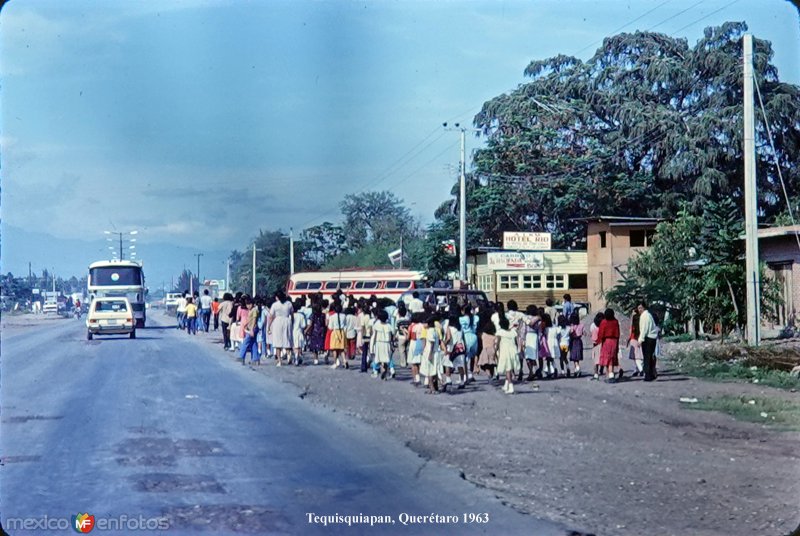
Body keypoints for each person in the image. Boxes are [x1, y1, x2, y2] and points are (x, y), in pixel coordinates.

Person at [495, 315, 521, 394]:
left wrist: (495, 351)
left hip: (505, 352)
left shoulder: (500, 332)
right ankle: (506, 384)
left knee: (507, 369)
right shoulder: (513, 332)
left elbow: (498, 343)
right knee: (509, 368)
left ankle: (511, 385)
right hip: (513, 351)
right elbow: (516, 342)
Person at [370, 309, 395, 380]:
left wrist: (372, 345)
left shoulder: (376, 325)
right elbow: (391, 336)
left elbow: (374, 336)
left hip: (379, 343)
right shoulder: (389, 326)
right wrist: (392, 344)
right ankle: (385, 372)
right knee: (386, 359)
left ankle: (382, 371)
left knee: (379, 359)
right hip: (387, 343)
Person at [597, 308, 621, 383]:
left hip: (606, 341)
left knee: (607, 359)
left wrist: (598, 341)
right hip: (614, 340)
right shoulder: (615, 322)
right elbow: (618, 333)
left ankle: (610, 375)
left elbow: (601, 333)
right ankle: (610, 374)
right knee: (612, 358)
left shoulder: (604, 322)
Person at [270, 291, 294, 366]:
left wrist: (269, 326)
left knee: (278, 342)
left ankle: (279, 361)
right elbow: (292, 314)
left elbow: (271, 316)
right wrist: (292, 323)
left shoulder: (275, 305)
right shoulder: (289, 304)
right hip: (287, 321)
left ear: (277, 297)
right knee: (287, 339)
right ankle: (289, 355)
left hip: (278, 322)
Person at [638, 301, 659, 381]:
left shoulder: (645, 316)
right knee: (650, 357)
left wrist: (640, 339)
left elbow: (644, 329)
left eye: (640, 308)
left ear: (644, 307)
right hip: (652, 338)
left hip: (648, 338)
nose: (639, 310)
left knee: (647, 357)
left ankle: (648, 375)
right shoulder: (648, 315)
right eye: (638, 308)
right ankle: (651, 374)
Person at [459, 304, 479, 384]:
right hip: (474, 337)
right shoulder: (475, 318)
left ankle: (465, 377)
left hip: (466, 337)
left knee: (464, 358)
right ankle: (471, 374)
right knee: (472, 356)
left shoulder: (461, 319)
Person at [239, 297, 260, 365]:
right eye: (247, 304)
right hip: (251, 328)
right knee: (253, 344)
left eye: (249, 304)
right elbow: (250, 320)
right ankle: (255, 359)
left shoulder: (254, 310)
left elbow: (254, 319)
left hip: (252, 328)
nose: (248, 306)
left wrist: (251, 330)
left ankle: (241, 357)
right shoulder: (251, 310)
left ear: (252, 304)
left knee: (245, 342)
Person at [327, 302, 347, 369]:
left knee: (334, 349)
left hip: (335, 332)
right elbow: (345, 324)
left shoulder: (332, 317)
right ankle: (344, 360)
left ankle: (335, 363)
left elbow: (330, 327)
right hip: (342, 332)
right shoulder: (344, 316)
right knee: (341, 348)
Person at [523, 305, 540, 381]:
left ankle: (531, 371)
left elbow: (525, 327)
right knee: (532, 355)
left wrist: (522, 338)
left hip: (528, 335)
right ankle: (536, 369)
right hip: (535, 335)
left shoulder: (527, 318)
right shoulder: (537, 318)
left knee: (528, 356)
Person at [628, 308, 644, 377]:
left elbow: (630, 331)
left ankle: (641, 369)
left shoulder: (634, 322)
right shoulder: (641, 321)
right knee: (640, 355)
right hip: (640, 339)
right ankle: (637, 369)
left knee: (635, 356)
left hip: (634, 339)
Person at [291, 298, 307, 366]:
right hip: (299, 332)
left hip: (293, 332)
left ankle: (296, 356)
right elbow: (304, 325)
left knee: (295, 346)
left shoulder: (291, 316)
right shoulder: (301, 315)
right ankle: (298, 356)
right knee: (299, 346)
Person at [568, 311, 584, 377]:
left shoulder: (572, 326)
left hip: (573, 341)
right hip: (579, 341)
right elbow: (584, 333)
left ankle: (577, 368)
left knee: (574, 356)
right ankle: (576, 369)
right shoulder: (581, 325)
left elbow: (571, 332)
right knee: (577, 356)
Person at [590, 312, 604, 380]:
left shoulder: (593, 325)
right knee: (602, 357)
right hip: (602, 343)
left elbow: (591, 332)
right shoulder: (603, 324)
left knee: (596, 359)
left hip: (595, 344)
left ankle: (596, 373)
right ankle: (602, 368)